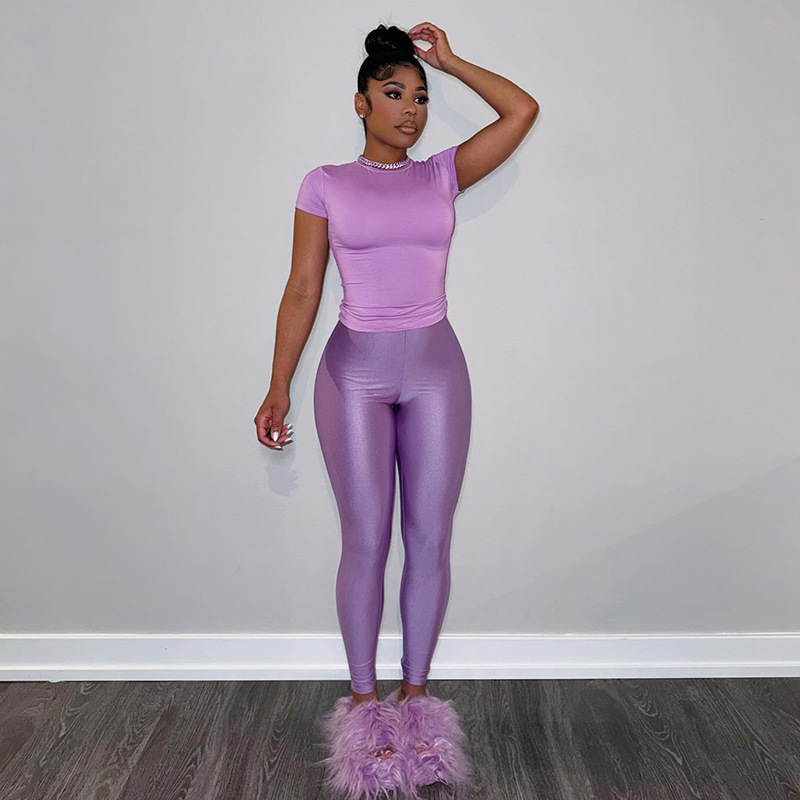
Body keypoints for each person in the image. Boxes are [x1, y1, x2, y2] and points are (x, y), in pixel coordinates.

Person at [254, 21, 538, 799]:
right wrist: (278, 385)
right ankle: (363, 706)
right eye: (394, 93)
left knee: (430, 536)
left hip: (437, 372)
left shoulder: (442, 174)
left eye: (420, 97)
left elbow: (521, 110)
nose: (411, 109)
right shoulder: (324, 183)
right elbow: (303, 288)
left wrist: (451, 62)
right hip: (354, 375)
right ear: (362, 102)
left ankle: (416, 703)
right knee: (368, 538)